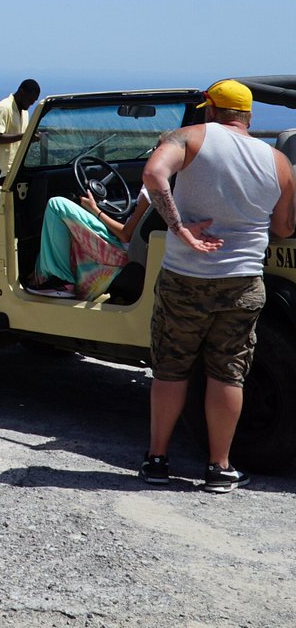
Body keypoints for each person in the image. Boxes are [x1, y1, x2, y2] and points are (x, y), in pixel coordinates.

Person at [138, 79, 294, 493]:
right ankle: (219, 468)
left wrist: (180, 227)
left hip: (185, 278)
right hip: (242, 282)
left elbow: (153, 174)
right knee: (229, 374)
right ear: (248, 116)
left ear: (209, 108)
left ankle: (156, 460)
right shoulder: (277, 161)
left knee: (171, 368)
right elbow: (282, 227)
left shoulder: (189, 137)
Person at [26, 187, 153, 300]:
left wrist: (95, 210)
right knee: (66, 233)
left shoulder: (153, 184)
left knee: (57, 205)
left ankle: (60, 281)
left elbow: (126, 235)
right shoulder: (164, 184)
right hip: (131, 249)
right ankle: (43, 277)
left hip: (121, 253)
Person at [0, 79, 40, 185]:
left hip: (14, 170)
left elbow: (21, 137)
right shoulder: (3, 108)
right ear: (21, 92)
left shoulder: (25, 112)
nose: (32, 103)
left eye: (34, 100)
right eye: (30, 99)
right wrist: (24, 136)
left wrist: (31, 138)